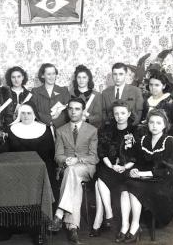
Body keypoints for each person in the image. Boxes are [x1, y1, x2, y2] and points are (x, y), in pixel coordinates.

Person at [116, 109, 173, 243]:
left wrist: (142, 174)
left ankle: (135, 226)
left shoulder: (169, 141)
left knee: (134, 187)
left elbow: (168, 171)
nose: (154, 126)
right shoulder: (144, 140)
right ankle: (125, 226)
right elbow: (137, 161)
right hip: (144, 179)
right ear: (147, 124)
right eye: (151, 122)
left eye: (158, 123)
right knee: (124, 187)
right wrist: (134, 170)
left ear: (165, 125)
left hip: (162, 183)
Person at [48, 97, 99, 244]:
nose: (73, 111)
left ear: (83, 111)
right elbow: (58, 156)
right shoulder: (61, 131)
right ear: (67, 110)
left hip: (86, 168)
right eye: (70, 108)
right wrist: (66, 160)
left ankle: (59, 213)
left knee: (73, 172)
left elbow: (93, 157)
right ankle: (73, 228)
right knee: (72, 175)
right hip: (68, 169)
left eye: (77, 109)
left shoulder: (92, 130)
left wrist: (78, 160)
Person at [90, 100, 138, 237]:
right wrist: (111, 166)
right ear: (113, 115)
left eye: (123, 113)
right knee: (100, 177)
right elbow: (102, 152)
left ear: (129, 114)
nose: (119, 116)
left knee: (98, 183)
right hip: (109, 165)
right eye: (116, 113)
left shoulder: (135, 130)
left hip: (128, 167)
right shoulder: (106, 129)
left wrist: (124, 167)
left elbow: (136, 156)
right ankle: (109, 212)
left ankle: (99, 222)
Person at [7, 101, 57, 196]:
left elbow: (51, 154)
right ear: (19, 115)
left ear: (34, 114)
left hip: (42, 171)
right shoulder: (10, 129)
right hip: (17, 170)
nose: (26, 116)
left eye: (29, 113)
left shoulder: (45, 129)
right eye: (23, 113)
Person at [141, 70, 173, 136]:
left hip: (166, 137)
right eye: (151, 85)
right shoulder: (146, 100)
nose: (153, 88)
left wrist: (163, 127)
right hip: (148, 136)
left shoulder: (171, 101)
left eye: (157, 85)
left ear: (164, 86)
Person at [31, 63, 70, 129]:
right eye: (49, 74)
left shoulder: (64, 90)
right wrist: (49, 120)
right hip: (41, 127)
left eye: (53, 73)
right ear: (43, 75)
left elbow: (69, 109)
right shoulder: (35, 91)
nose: (52, 77)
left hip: (61, 128)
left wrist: (57, 121)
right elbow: (33, 110)